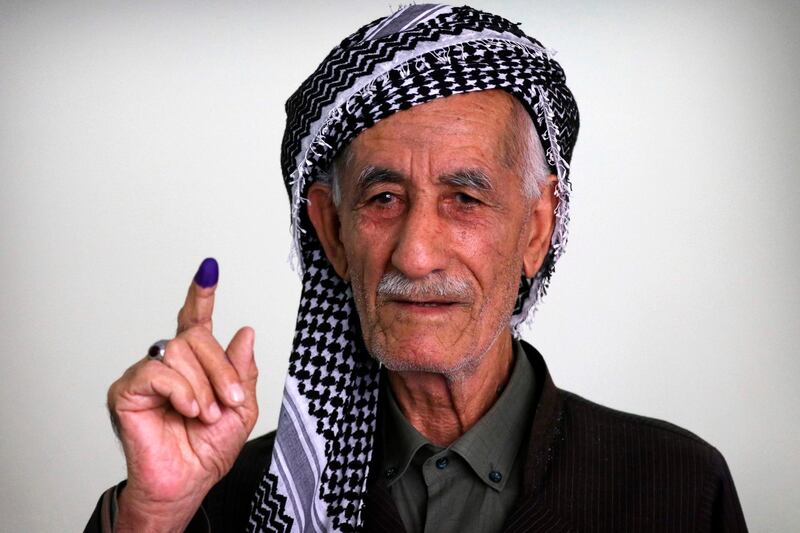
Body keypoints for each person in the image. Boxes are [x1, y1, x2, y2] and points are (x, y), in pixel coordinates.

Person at [86, 4, 747, 532]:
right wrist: (153, 514)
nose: (416, 252)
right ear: (331, 231)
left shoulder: (677, 488)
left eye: (465, 198)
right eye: (383, 199)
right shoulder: (223, 502)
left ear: (537, 227)